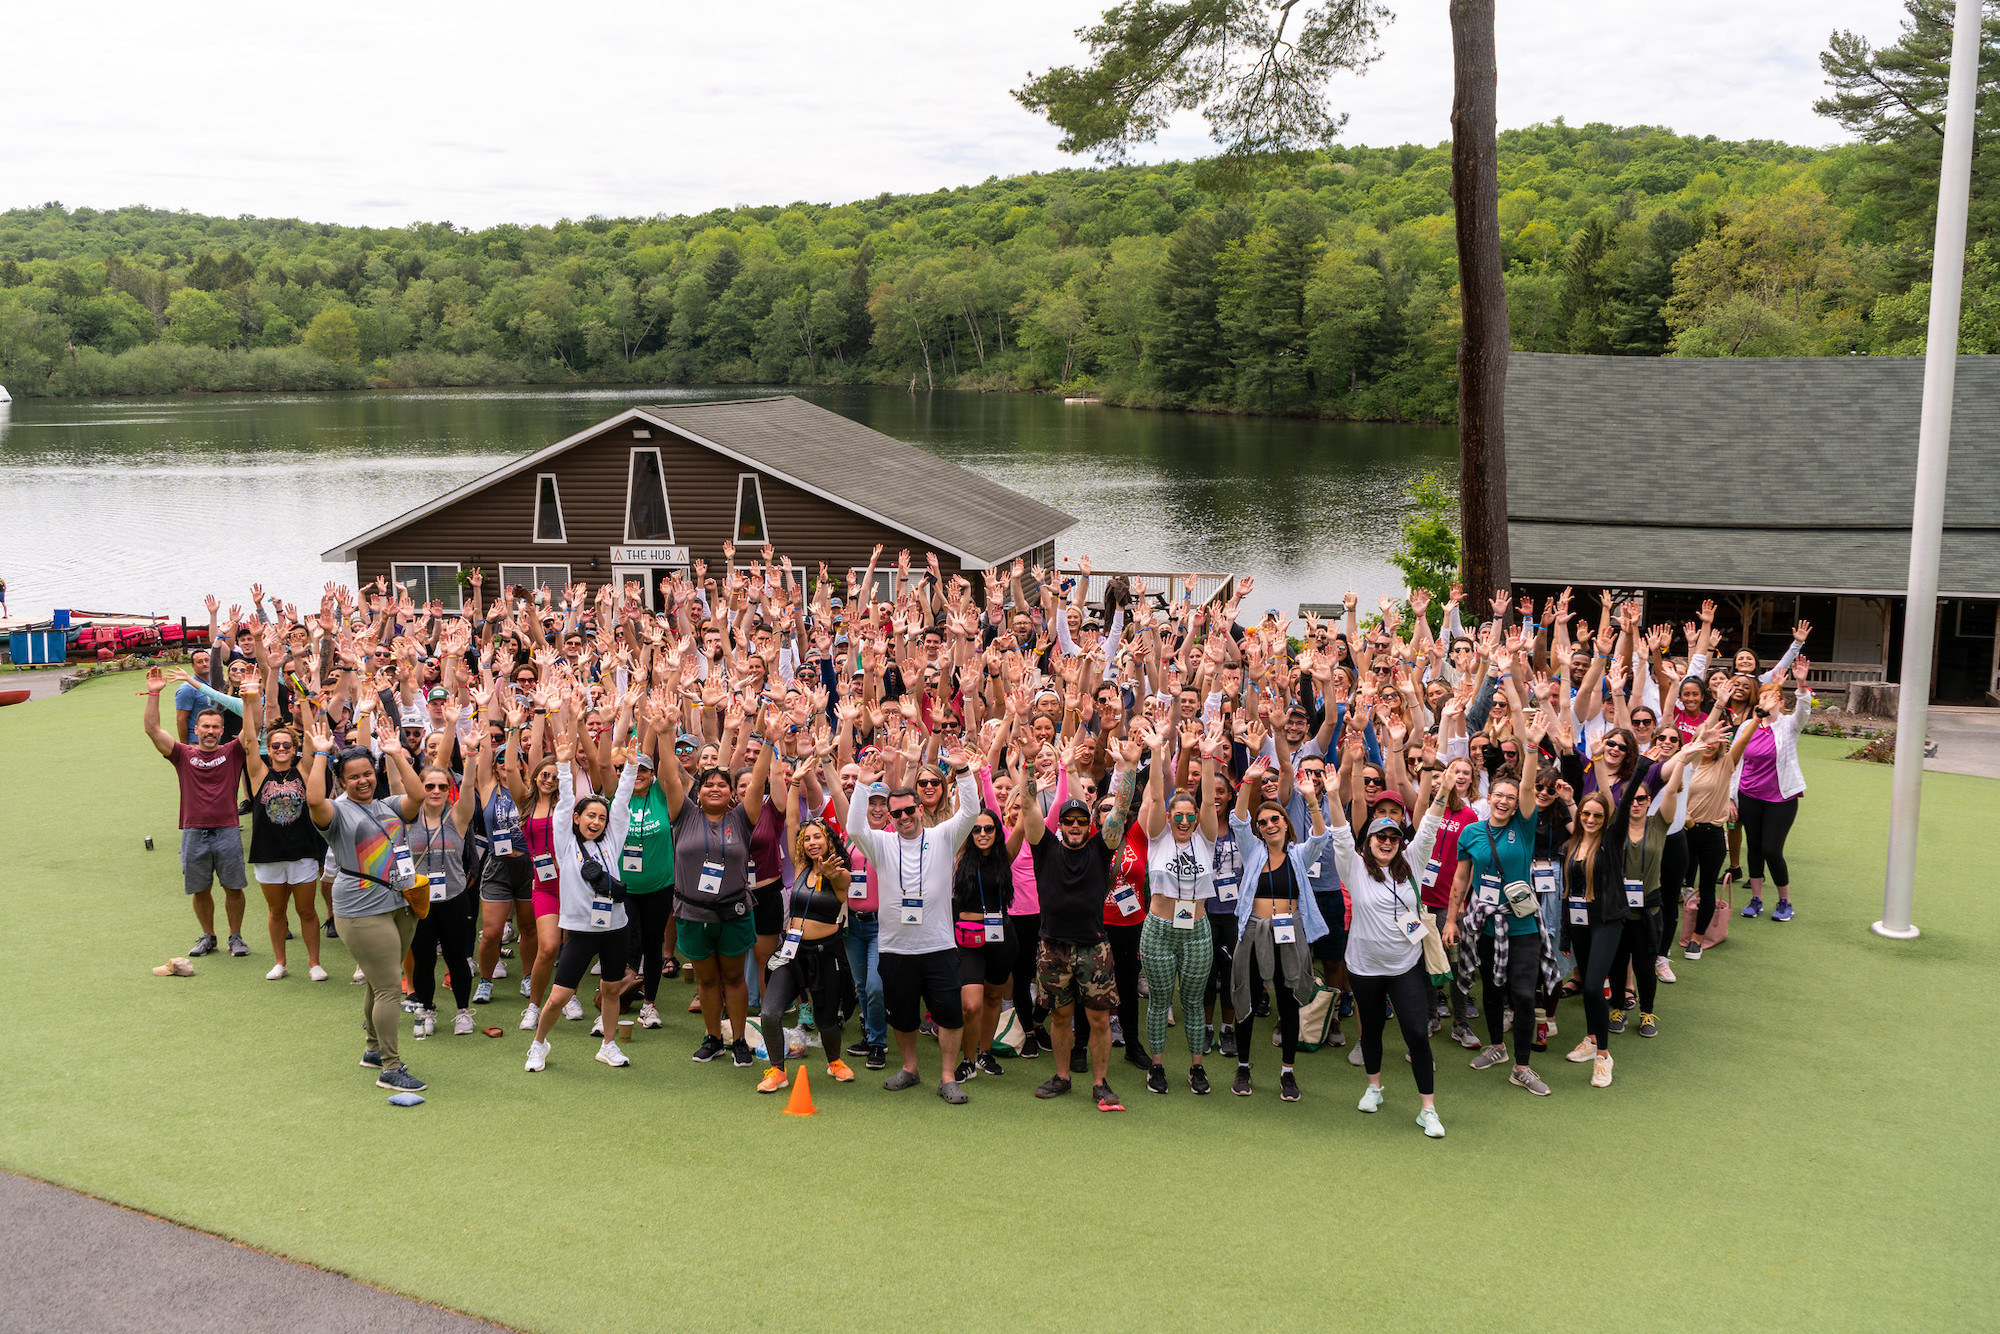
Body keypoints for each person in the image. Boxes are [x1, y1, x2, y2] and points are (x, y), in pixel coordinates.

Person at [844, 737, 982, 1104]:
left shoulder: (943, 836)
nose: (903, 818)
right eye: (897, 814)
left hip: (939, 946)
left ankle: (948, 1076)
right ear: (890, 817)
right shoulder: (881, 843)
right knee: (903, 1017)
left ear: (920, 809)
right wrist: (862, 785)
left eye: (909, 811)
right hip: (895, 949)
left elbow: (970, 812)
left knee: (950, 1016)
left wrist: (962, 770)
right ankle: (909, 1067)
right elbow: (854, 829)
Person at [303, 711, 428, 1095]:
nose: (362, 781)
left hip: (397, 903)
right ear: (341, 782)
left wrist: (395, 753)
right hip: (360, 911)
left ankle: (373, 1051)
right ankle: (390, 1067)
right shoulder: (336, 812)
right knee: (390, 987)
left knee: (378, 982)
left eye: (367, 773)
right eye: (353, 776)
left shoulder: (387, 805)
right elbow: (313, 799)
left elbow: (418, 796)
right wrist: (321, 754)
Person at [1335, 727, 1450, 1137]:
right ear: (1368, 840)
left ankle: (1428, 1110)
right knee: (1371, 1030)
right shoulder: (1354, 867)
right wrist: (1326, 797)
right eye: (1380, 836)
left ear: (1401, 842)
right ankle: (1374, 1086)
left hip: (1405, 965)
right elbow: (1339, 833)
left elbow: (1431, 822)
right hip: (1364, 967)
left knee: (1417, 1033)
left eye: (1393, 837)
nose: (1387, 841)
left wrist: (1437, 779)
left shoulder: (1413, 862)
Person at [1021, 741, 1137, 1113]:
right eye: (1068, 821)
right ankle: (1062, 1076)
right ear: (1059, 824)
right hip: (1052, 947)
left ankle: (1100, 1083)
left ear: (1089, 825)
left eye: (1081, 821)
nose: (1074, 825)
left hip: (1093, 948)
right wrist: (1027, 761)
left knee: (1099, 1019)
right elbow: (1027, 804)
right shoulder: (1044, 847)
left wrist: (1130, 766)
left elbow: (1120, 808)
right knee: (1060, 1017)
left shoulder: (1101, 848)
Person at [1442, 705, 1552, 1096]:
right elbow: (1461, 877)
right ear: (1489, 797)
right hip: (1483, 924)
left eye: (1511, 797)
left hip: (1522, 925)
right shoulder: (1472, 833)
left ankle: (1522, 1067)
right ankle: (1496, 1047)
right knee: (1490, 988)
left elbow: (1528, 787)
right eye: (1499, 796)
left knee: (1521, 994)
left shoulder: (1524, 825)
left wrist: (1531, 748)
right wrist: (1451, 919)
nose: (1504, 801)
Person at [660, 703, 774, 1069]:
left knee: (734, 978)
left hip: (734, 912)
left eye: (721, 784)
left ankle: (738, 1039)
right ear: (698, 792)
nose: (714, 788)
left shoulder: (743, 817)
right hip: (693, 913)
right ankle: (713, 1038)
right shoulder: (683, 814)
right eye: (707, 784)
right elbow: (670, 776)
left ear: (731, 793)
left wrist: (769, 741)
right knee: (707, 981)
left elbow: (758, 778)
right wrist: (663, 734)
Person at [524, 723, 641, 1072]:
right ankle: (538, 1045)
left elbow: (621, 803)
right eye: (590, 815)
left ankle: (608, 1045)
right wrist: (563, 767)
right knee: (559, 996)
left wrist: (631, 768)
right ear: (577, 818)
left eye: (601, 818)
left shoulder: (612, 840)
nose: (597, 821)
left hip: (615, 928)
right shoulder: (565, 843)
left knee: (611, 989)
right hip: (580, 930)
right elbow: (562, 808)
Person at [1226, 754, 1332, 1102]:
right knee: (1247, 997)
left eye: (1275, 819)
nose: (1269, 825)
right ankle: (1243, 1067)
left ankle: (1288, 1072)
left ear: (1286, 823)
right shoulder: (1252, 850)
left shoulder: (1299, 855)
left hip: (1291, 931)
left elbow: (1321, 837)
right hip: (1254, 931)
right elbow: (1238, 821)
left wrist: (1311, 799)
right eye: (1263, 822)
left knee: (1288, 1002)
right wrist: (1248, 782)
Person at [1138, 720, 1223, 1095]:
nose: (1185, 821)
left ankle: (1196, 1067)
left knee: (1192, 1002)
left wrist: (1207, 758)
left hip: (1197, 932)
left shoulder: (1206, 837)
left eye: (1191, 815)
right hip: (1158, 930)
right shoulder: (1157, 836)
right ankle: (1156, 1067)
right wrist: (1158, 751)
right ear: (1170, 818)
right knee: (1159, 1001)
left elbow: (1208, 799)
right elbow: (1157, 798)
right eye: (1180, 816)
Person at [755, 781, 857, 1093]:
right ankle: (777, 1070)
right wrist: (795, 784)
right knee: (770, 1013)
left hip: (826, 953)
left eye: (818, 837)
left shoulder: (841, 873)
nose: (812, 842)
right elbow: (790, 821)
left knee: (826, 1021)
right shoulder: (800, 867)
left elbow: (841, 882)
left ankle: (834, 1061)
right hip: (791, 952)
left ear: (830, 840)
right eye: (807, 838)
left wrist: (831, 872)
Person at [140, 667, 248, 959]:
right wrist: (153, 693)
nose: (211, 731)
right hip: (193, 831)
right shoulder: (182, 755)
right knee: (200, 889)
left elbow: (253, 730)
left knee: (233, 888)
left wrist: (251, 697)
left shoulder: (233, 752)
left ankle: (235, 937)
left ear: (222, 731)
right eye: (206, 727)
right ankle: (208, 937)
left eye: (215, 727)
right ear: (196, 730)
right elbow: (152, 730)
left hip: (227, 830)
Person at [236, 688, 327, 981]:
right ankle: (280, 962)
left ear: (294, 747)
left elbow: (312, 739)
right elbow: (249, 742)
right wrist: (247, 702)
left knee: (307, 911)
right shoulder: (259, 774)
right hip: (268, 853)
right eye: (275, 745)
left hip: (302, 852)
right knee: (276, 911)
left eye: (286, 744)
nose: (281, 748)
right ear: (269, 747)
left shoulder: (304, 769)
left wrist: (303, 700)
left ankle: (314, 963)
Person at [1732, 658, 1813, 923]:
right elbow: (1735, 762)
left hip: (1781, 798)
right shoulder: (1747, 726)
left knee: (1771, 849)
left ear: (1781, 703)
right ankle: (1756, 900)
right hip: (1749, 795)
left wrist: (1801, 684)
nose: (1767, 701)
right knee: (1754, 848)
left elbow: (1804, 711)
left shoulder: (1789, 725)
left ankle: (1785, 901)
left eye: (1773, 698)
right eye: (1763, 697)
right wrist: (1731, 798)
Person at [406, 753, 479, 1039]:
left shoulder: (458, 816)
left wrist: (471, 755)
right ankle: (426, 1009)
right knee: (423, 960)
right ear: (420, 788)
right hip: (420, 901)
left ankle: (463, 1011)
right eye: (429, 786)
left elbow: (470, 785)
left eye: (442, 786)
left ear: (449, 790)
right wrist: (393, 754)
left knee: (456, 957)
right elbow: (398, 782)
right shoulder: (407, 817)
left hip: (454, 898)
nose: (436, 791)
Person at [950, 800, 1016, 1083]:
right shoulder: (960, 853)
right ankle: (967, 1059)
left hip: (1002, 937)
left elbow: (1025, 820)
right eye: (976, 829)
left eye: (988, 828)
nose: (982, 833)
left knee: (992, 998)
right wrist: (969, 778)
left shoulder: (1006, 856)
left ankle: (985, 1054)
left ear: (997, 830)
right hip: (969, 938)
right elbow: (960, 812)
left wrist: (1028, 781)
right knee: (971, 1005)